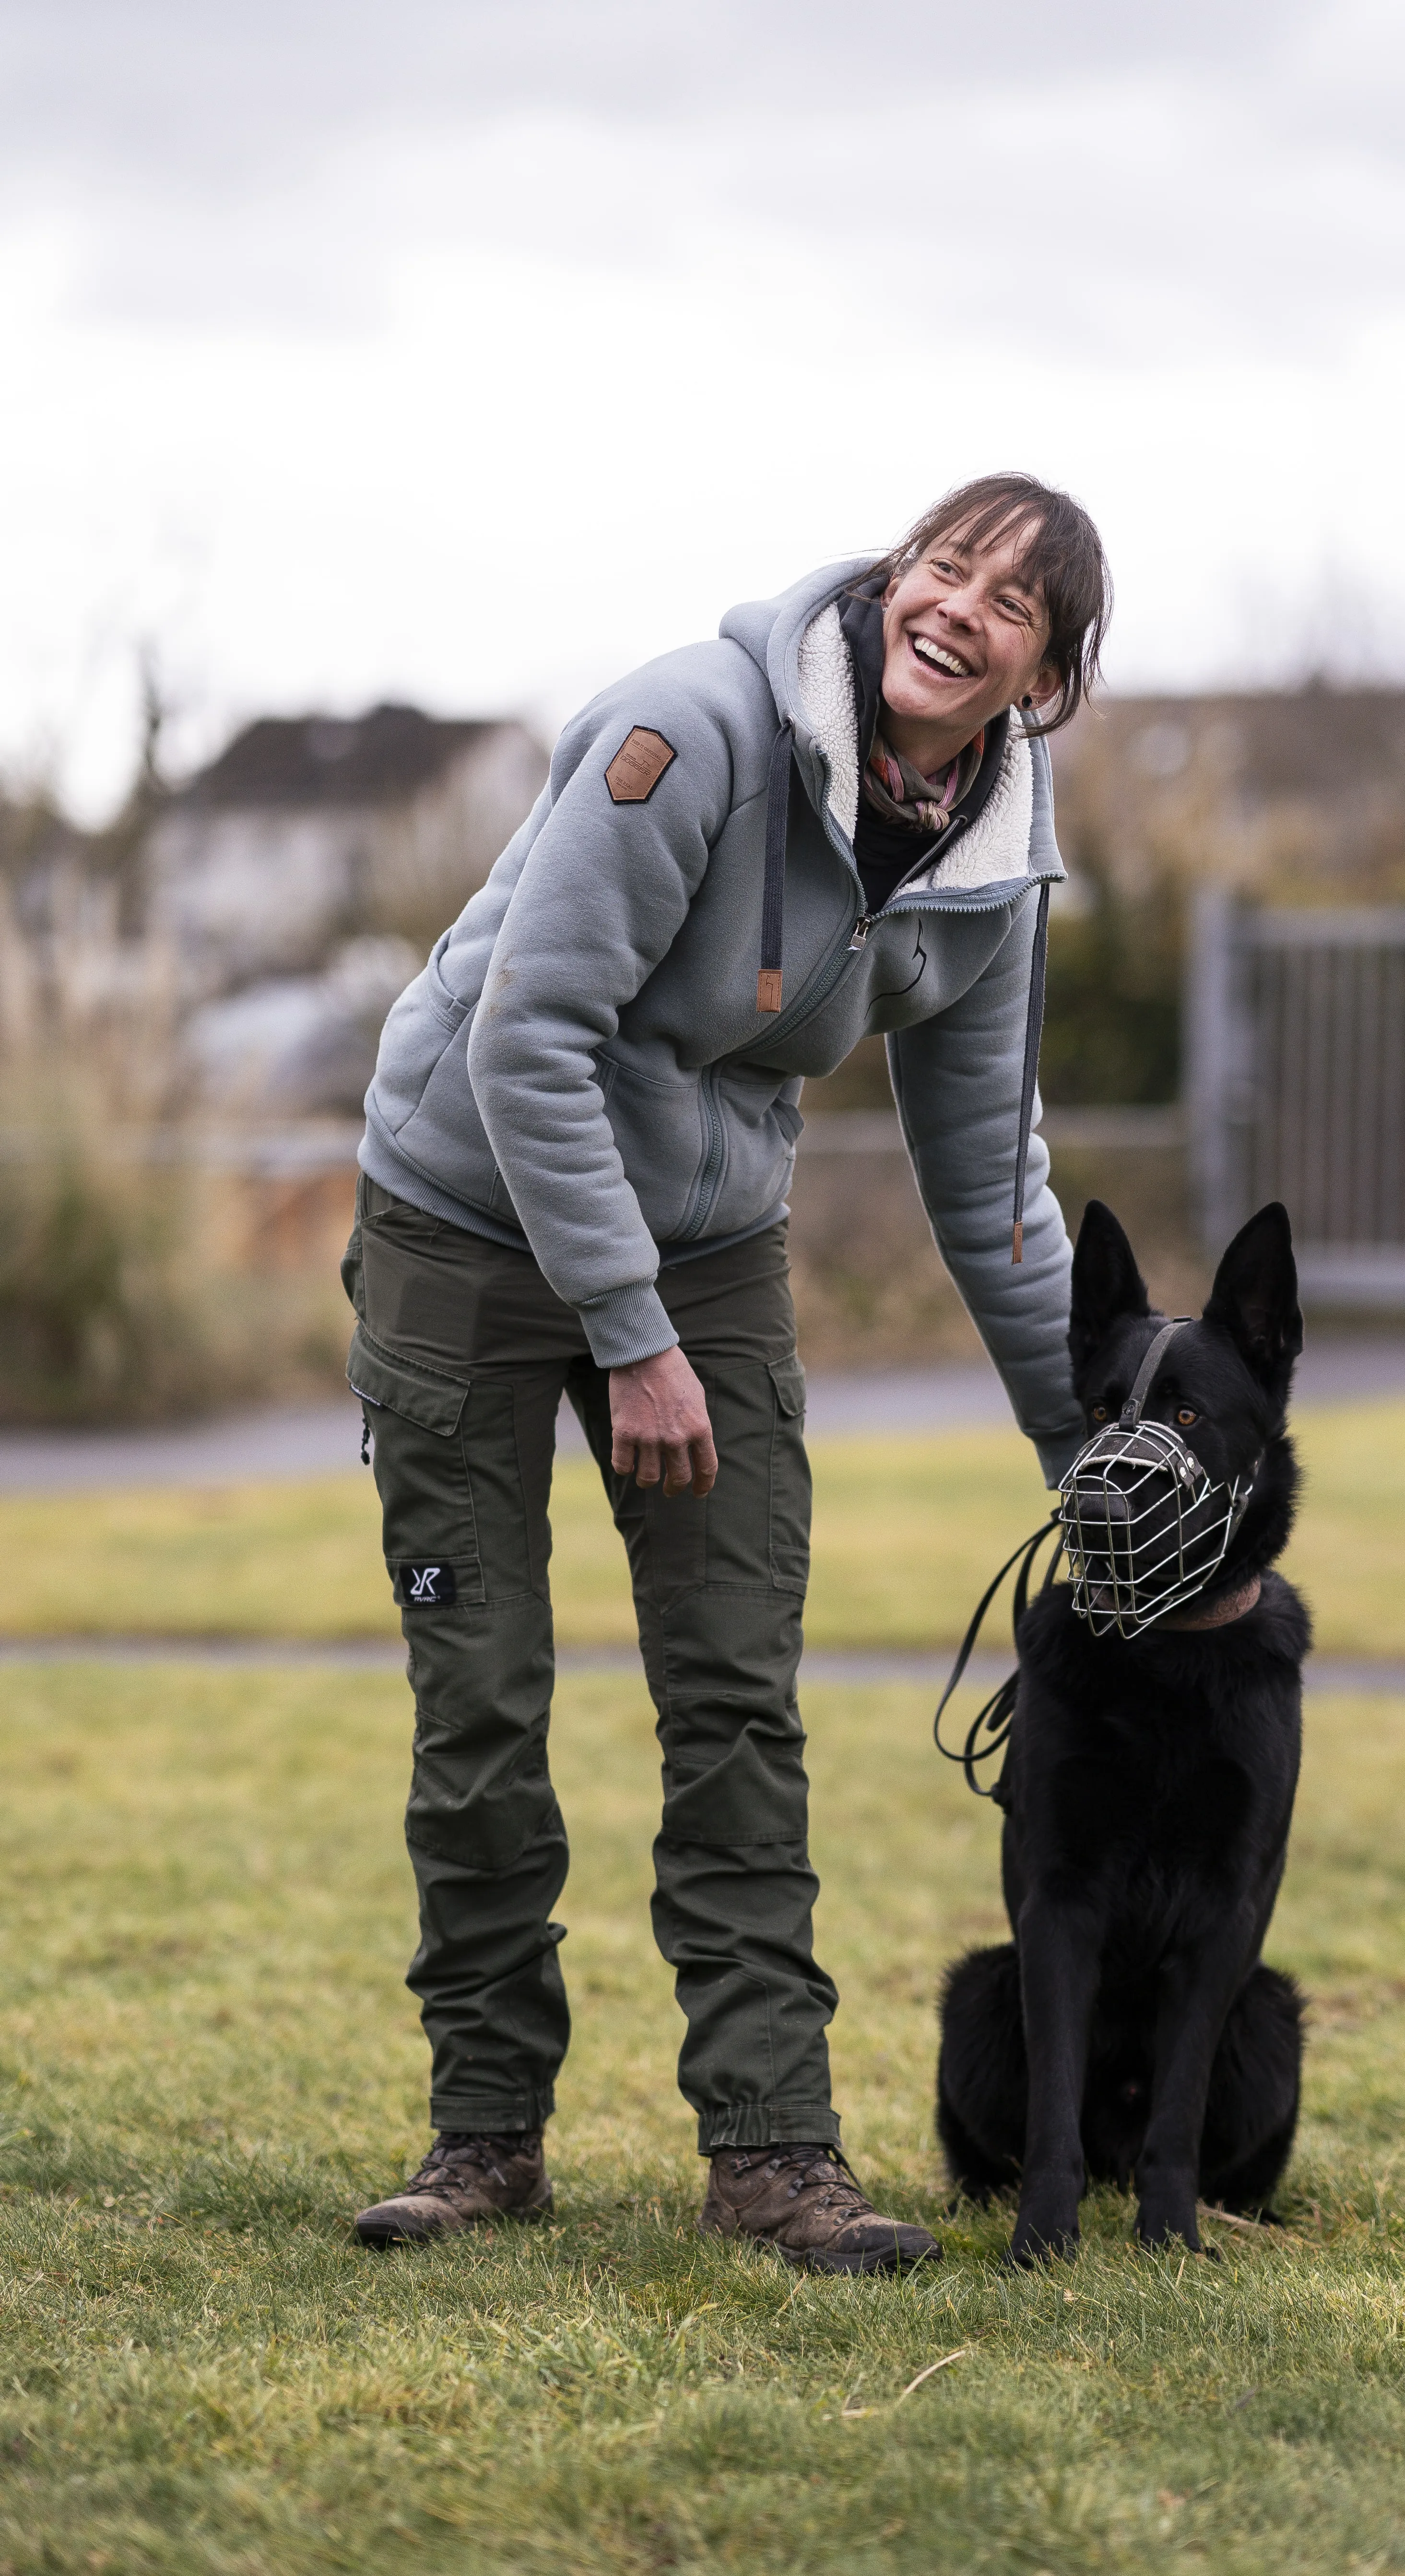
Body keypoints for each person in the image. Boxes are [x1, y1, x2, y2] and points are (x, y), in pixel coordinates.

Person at [341, 471, 1110, 2270]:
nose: (955, 612)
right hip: (462, 1218)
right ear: (889, 573)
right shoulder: (689, 730)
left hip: (707, 1247)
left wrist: (1085, 1450)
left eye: (1008, 606)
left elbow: (989, 1168)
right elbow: (533, 1035)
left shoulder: (995, 859)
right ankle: (485, 2137)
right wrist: (630, 1339)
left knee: (737, 1704)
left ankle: (772, 2153)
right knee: (483, 1705)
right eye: (942, 567)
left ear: (1046, 677)